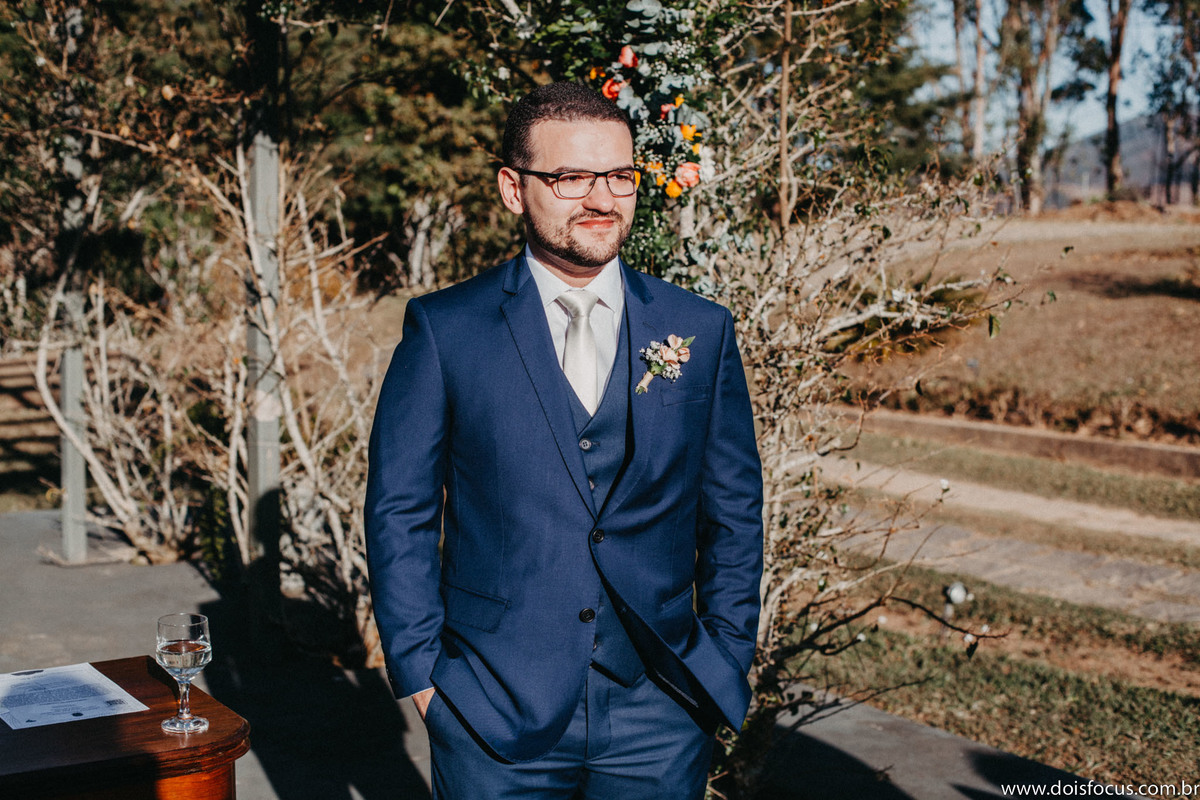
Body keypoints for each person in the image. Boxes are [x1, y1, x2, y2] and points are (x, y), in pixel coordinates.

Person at [365, 81, 763, 799]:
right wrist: (423, 676)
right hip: (490, 704)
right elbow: (400, 510)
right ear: (514, 189)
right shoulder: (445, 331)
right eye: (571, 177)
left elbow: (734, 508)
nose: (602, 200)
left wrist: (727, 654)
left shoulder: (699, 329)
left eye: (619, 176)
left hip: (661, 707)